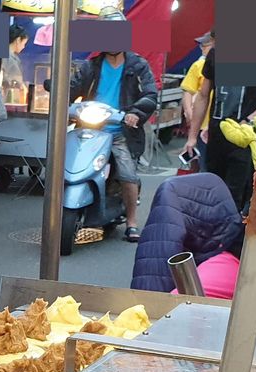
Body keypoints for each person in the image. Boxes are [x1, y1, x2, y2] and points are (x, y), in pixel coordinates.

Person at [65, 18, 158, 242]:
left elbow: (150, 94)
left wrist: (135, 112)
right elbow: (71, 88)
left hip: (120, 132)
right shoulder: (91, 66)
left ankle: (133, 222)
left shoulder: (138, 65)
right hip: (89, 128)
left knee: (128, 175)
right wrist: (55, 89)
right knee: (64, 166)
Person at [184, 34, 256, 215]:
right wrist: (192, 136)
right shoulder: (215, 55)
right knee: (213, 192)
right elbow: (203, 95)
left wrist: (251, 119)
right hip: (216, 137)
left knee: (235, 197)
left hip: (244, 138)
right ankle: (213, 237)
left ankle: (229, 238)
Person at [180, 31, 214, 171]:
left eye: (205, 45)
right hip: (201, 125)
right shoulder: (198, 65)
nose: (202, 48)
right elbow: (188, 91)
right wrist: (188, 111)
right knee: (201, 163)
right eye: (201, 46)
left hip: (219, 126)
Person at [2, 24, 29, 104]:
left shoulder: (4, 55)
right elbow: (16, 81)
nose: (24, 47)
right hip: (9, 99)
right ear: (18, 40)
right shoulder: (10, 59)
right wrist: (22, 86)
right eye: (24, 43)